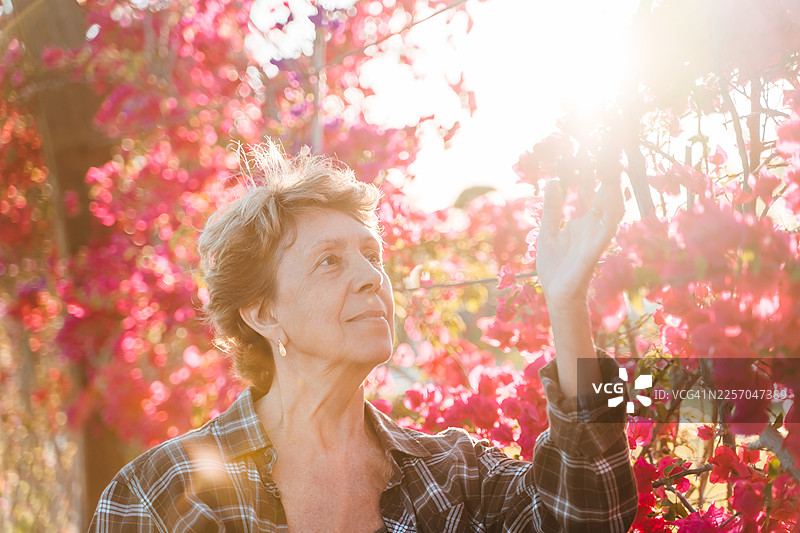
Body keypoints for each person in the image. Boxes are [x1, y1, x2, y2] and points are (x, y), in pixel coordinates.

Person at [89, 142, 637, 532]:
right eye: (329, 261)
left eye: (372, 256)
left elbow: (587, 518)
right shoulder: (164, 493)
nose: (372, 276)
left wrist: (566, 306)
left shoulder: (452, 475)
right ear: (263, 314)